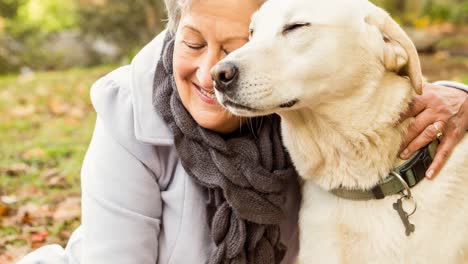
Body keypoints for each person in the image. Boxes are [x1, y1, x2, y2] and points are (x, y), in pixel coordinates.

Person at [18, 0, 468, 263]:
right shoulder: (128, 107)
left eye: (237, 46)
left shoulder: (293, 107)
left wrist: (455, 94)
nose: (216, 70)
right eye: (193, 43)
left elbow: (352, 82)